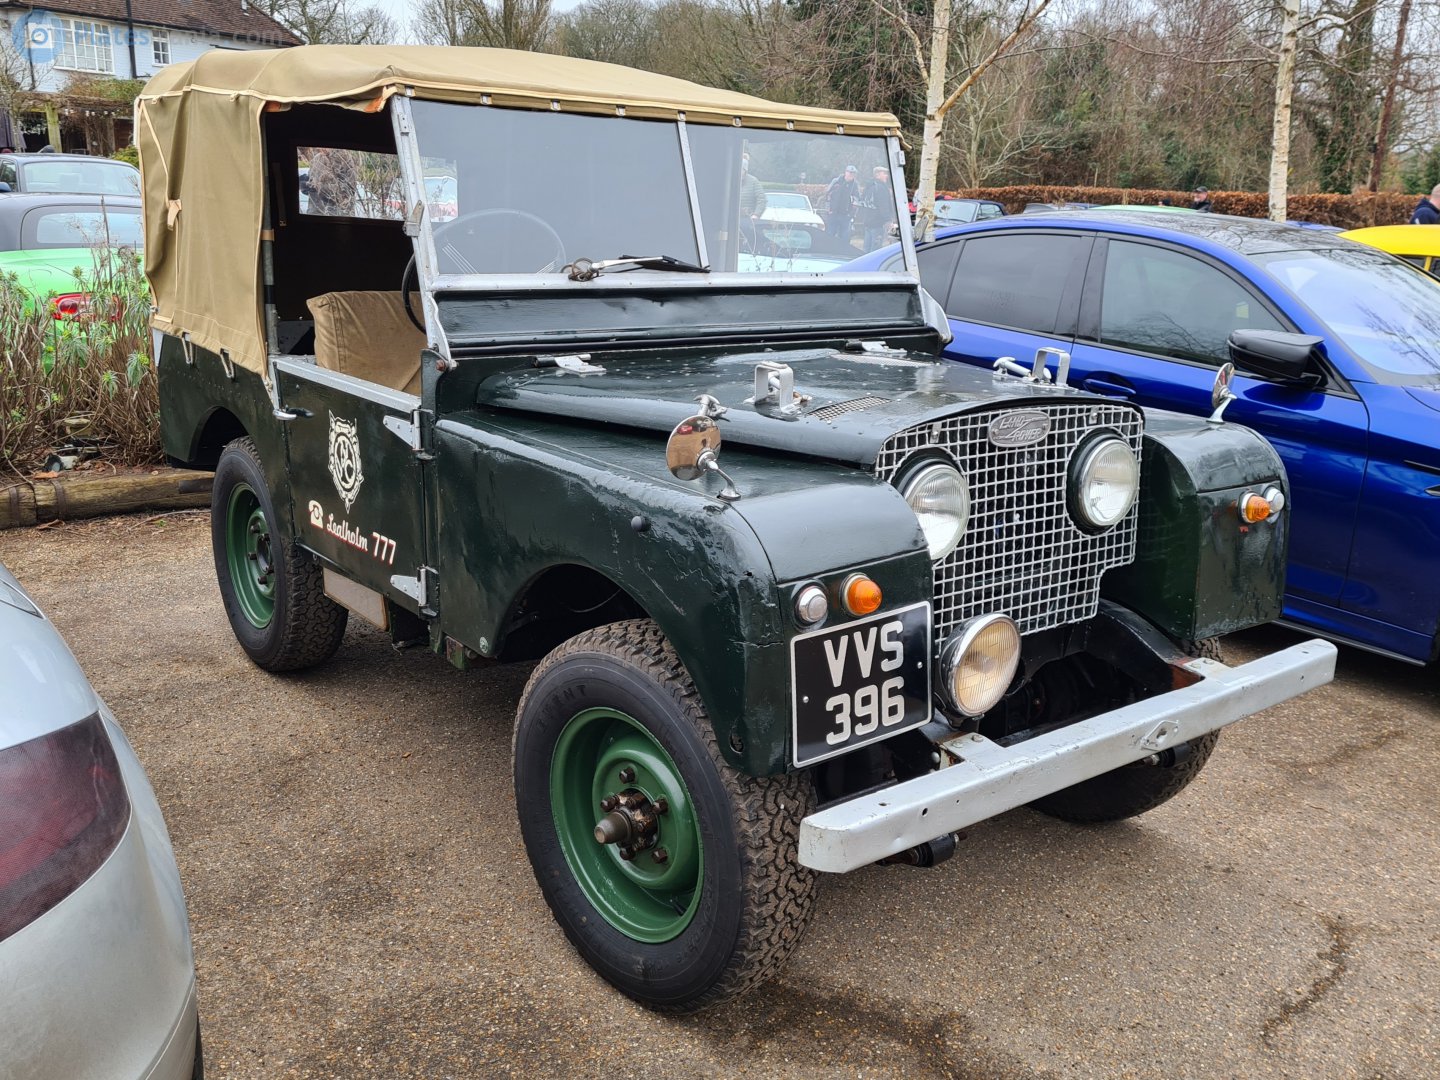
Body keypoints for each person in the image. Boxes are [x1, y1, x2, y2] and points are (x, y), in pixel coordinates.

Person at [861, 165, 897, 252]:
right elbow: (883, 206)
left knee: (866, 250)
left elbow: (862, 202)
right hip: (877, 224)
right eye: (884, 174)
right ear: (877, 175)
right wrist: (888, 220)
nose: (886, 176)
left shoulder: (869, 186)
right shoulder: (881, 188)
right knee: (875, 250)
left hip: (868, 222)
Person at [738, 155, 767, 251]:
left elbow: (761, 199)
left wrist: (756, 214)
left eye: (741, 170)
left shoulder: (753, 181)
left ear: (745, 170)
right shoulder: (730, 180)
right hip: (732, 221)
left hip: (747, 220)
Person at [824, 164, 859, 240]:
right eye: (849, 172)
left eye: (853, 173)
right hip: (833, 214)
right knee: (830, 235)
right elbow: (827, 195)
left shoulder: (855, 185)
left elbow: (857, 200)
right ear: (845, 172)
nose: (851, 174)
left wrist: (852, 214)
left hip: (846, 216)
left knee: (845, 237)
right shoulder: (836, 181)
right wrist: (828, 210)